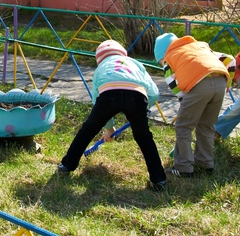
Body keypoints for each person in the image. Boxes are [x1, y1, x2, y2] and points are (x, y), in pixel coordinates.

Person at [57, 40, 167, 192]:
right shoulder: (135, 63)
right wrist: (143, 109)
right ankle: (159, 179)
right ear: (123, 54)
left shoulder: (101, 67)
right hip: (136, 95)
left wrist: (109, 128)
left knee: (88, 130)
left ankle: (67, 165)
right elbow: (154, 93)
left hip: (109, 94)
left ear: (99, 59)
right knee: (144, 137)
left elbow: (97, 100)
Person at [154, 33, 235, 178]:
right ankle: (205, 164)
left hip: (198, 86)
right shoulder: (199, 47)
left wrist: (188, 106)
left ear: (162, 55)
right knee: (206, 126)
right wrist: (228, 84)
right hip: (220, 83)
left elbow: (177, 90)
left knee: (184, 126)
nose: (162, 64)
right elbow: (231, 60)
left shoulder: (169, 58)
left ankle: (184, 167)